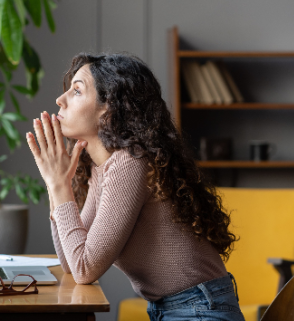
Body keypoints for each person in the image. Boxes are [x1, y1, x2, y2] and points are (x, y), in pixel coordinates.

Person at [26, 52, 244, 321]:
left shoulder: (130, 162)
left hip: (199, 310)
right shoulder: (104, 169)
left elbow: (84, 268)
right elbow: (72, 263)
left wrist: (60, 186)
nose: (61, 99)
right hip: (181, 309)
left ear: (108, 109)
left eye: (77, 91)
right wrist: (55, 185)